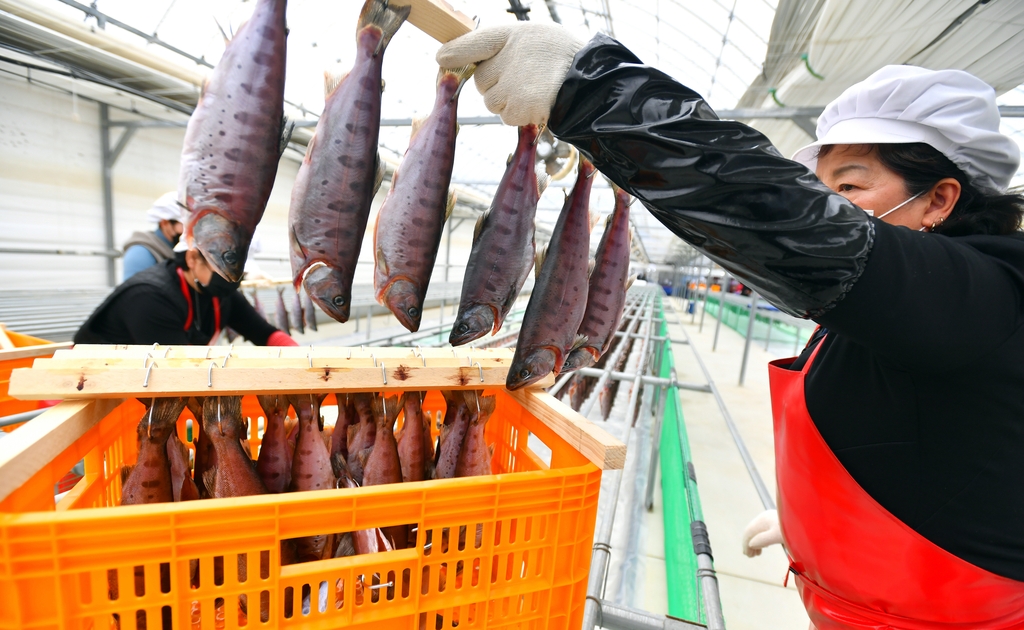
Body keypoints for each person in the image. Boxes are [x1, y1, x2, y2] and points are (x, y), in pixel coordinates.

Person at [436, 24, 1024, 628]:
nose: (829, 205)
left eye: (848, 185)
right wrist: (810, 523)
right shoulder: (911, 308)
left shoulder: (989, 297)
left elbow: (780, 216)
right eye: (820, 188)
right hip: (856, 598)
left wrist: (591, 91)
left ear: (940, 200)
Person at [76, 240, 296, 347]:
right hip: (97, 391)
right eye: (225, 269)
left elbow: (264, 334)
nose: (233, 278)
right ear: (192, 259)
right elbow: (179, 367)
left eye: (239, 271)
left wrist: (306, 361)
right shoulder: (149, 298)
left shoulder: (219, 291)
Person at [122, 192, 186, 280]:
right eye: (185, 225)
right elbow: (136, 291)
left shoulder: (175, 248)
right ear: (165, 223)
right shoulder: (141, 253)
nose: (189, 231)